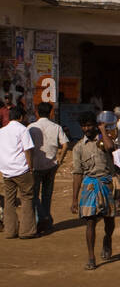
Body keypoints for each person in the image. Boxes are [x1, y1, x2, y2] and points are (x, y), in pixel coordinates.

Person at [70, 112, 117, 270]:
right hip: (89, 186)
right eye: (84, 126)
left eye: (89, 125)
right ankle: (91, 257)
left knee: (109, 219)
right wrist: (74, 199)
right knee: (90, 222)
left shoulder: (103, 141)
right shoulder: (78, 148)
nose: (86, 128)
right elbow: (77, 174)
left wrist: (103, 131)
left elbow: (111, 148)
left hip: (106, 183)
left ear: (95, 125)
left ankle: (107, 239)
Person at [28, 102, 69, 235]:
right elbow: (65, 145)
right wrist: (60, 160)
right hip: (51, 165)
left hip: (35, 165)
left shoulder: (31, 127)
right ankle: (47, 220)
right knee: (47, 194)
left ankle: (42, 218)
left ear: (37, 112)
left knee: (34, 195)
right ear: (51, 113)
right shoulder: (56, 127)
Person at [0, 109, 37, 240]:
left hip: (6, 170)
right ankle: (26, 231)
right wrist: (30, 167)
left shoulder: (2, 131)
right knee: (27, 198)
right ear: (21, 117)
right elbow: (28, 150)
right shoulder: (22, 129)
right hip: (21, 169)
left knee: (9, 201)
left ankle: (10, 231)